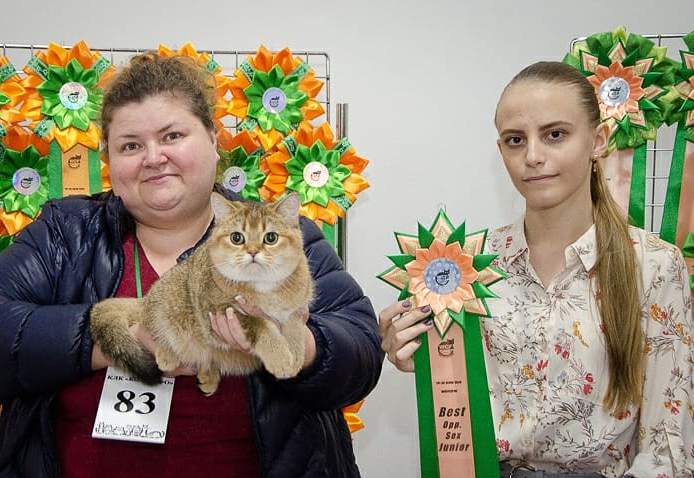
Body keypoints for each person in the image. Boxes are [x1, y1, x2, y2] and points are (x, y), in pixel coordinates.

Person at [0, 53, 383, 478]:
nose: (153, 157)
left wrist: (302, 345)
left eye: (172, 136)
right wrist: (120, 344)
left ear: (214, 141)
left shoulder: (281, 236)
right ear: (109, 160)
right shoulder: (63, 233)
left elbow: (362, 352)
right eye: (130, 145)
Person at [379, 61, 693, 478]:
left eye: (555, 134)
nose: (533, 156)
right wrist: (417, 356)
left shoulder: (653, 266)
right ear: (500, 151)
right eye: (515, 140)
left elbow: (666, 448)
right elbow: (456, 411)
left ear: (598, 140)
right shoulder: (465, 267)